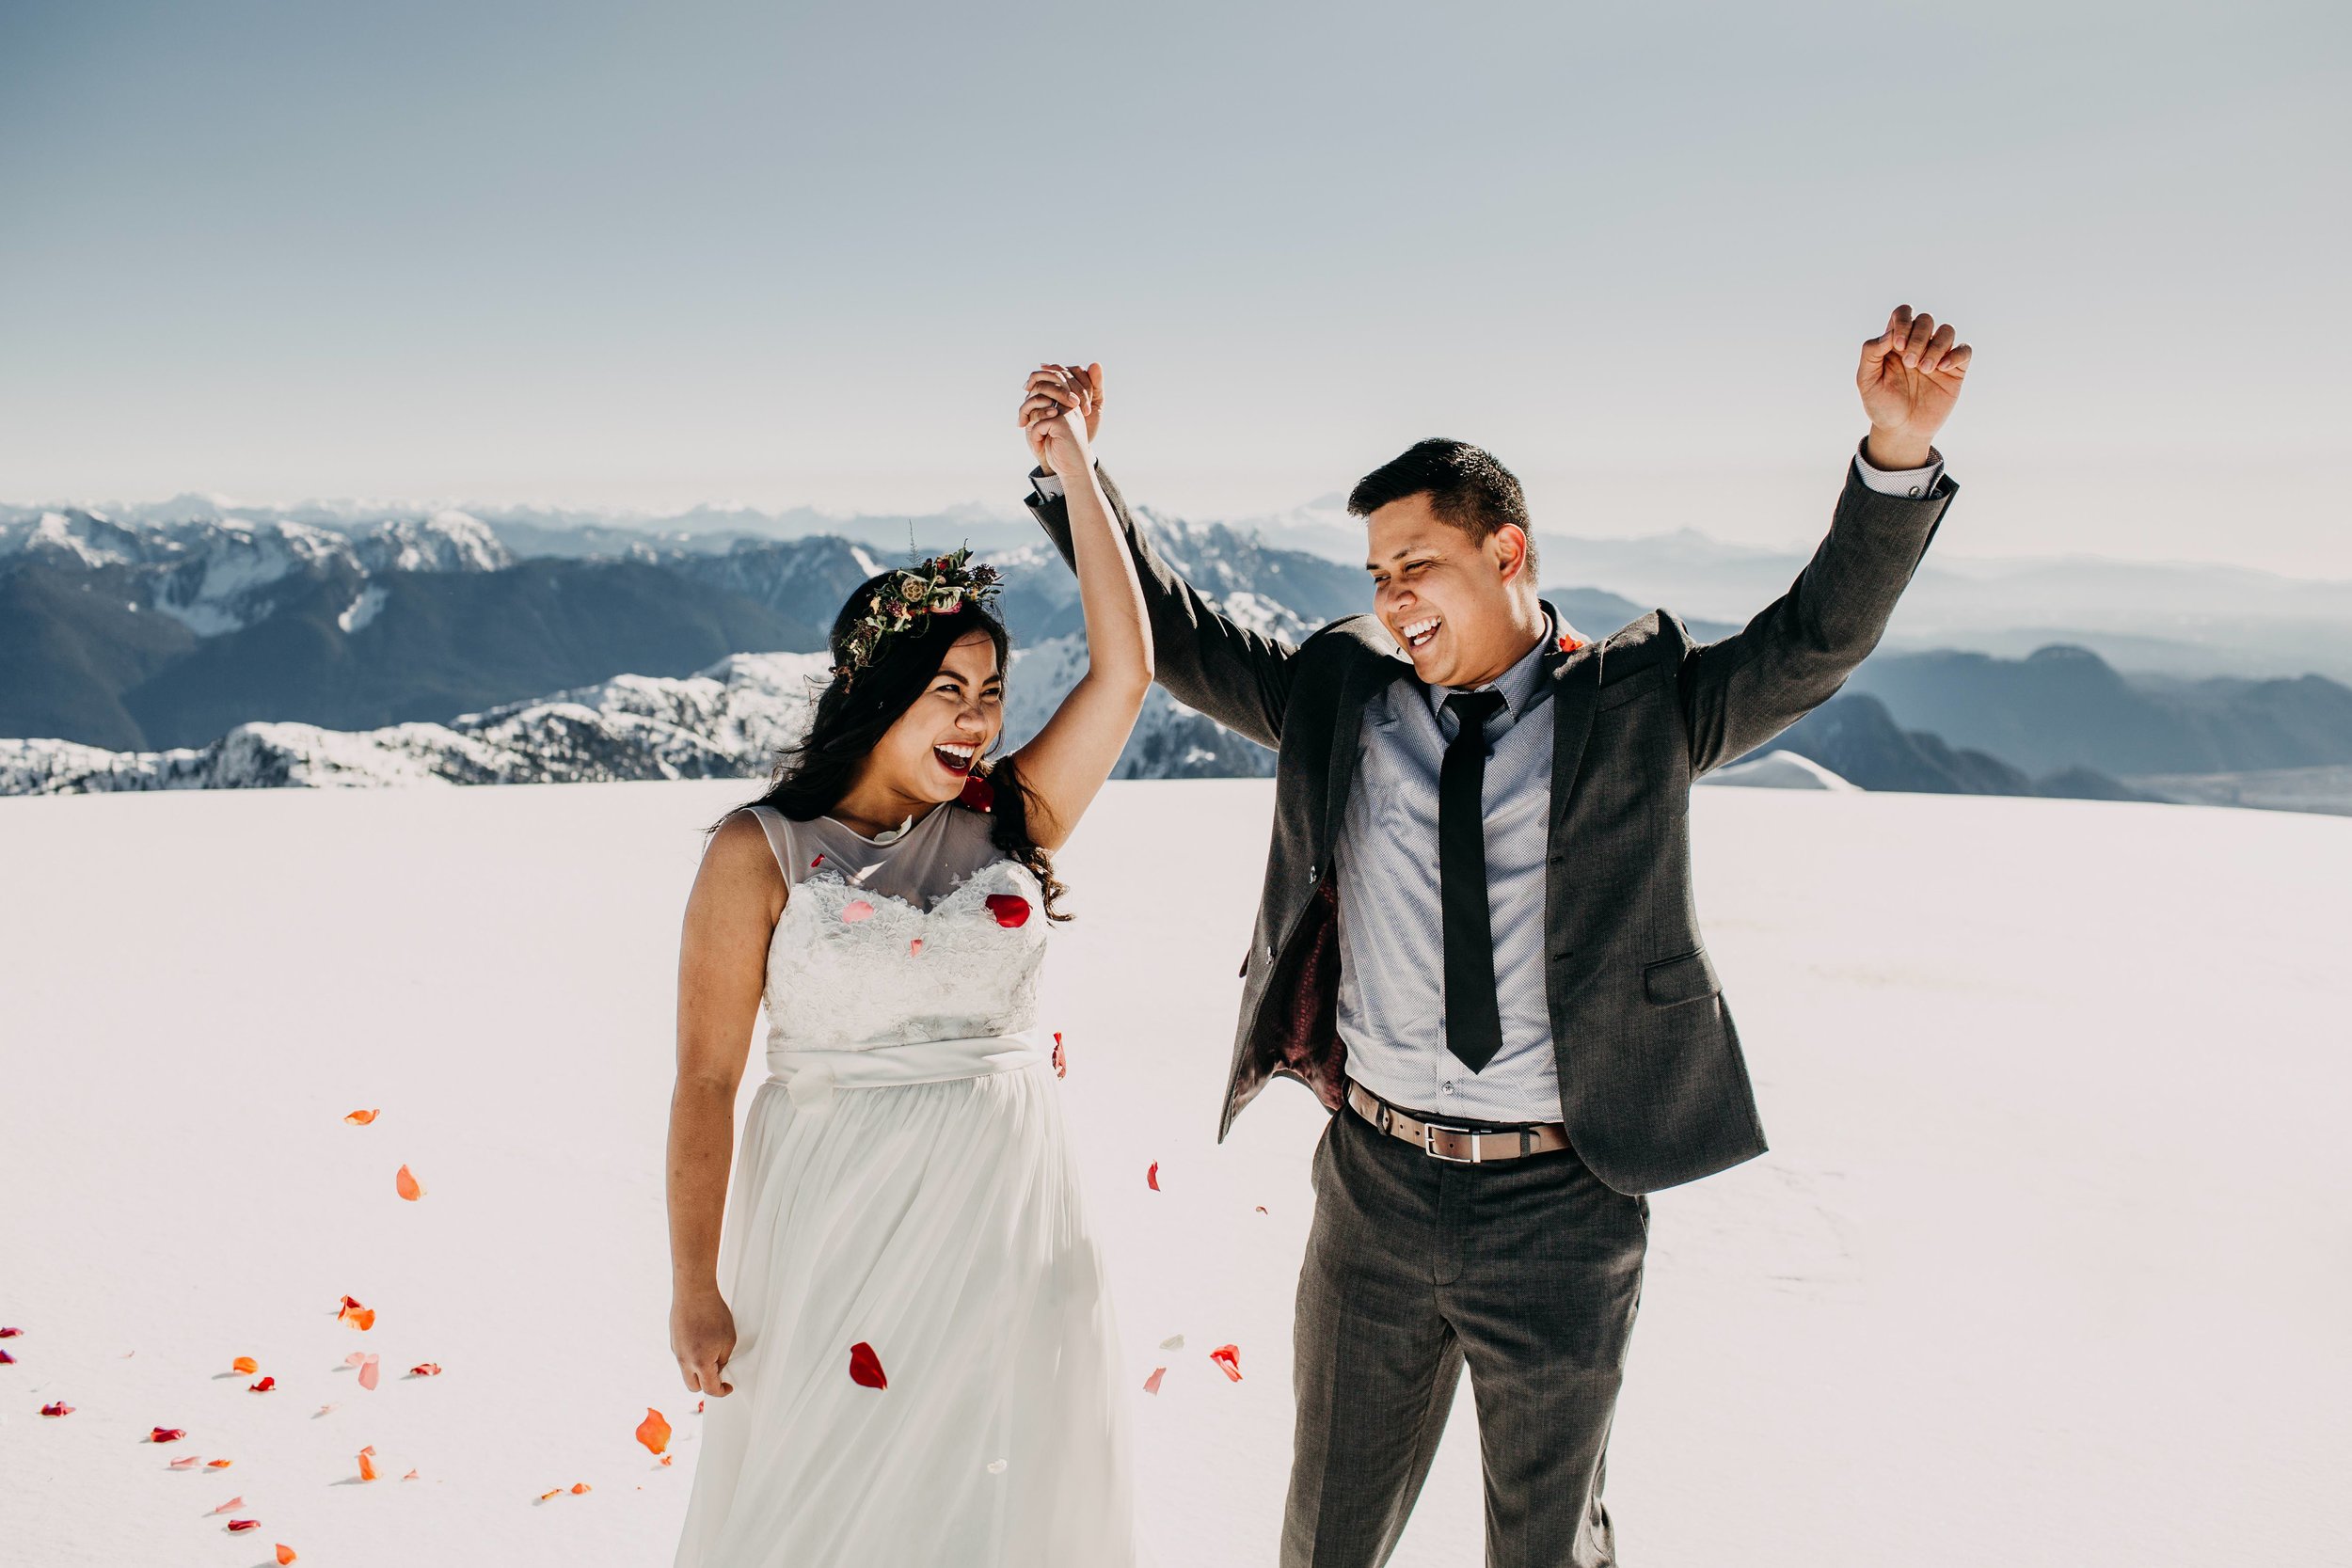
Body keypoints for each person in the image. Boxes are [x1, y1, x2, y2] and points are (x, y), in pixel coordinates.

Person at [1015, 306, 1971, 1566]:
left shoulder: (1636, 707)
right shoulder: (1344, 694)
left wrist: (1893, 459)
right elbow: (1178, 633)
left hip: (1562, 1204)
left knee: (1548, 1548)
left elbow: (1812, 644)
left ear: (1505, 547)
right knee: (1326, 1540)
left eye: (1416, 565)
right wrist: (1074, 469)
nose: (1392, 599)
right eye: (1375, 575)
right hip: (1373, 1189)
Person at [664, 366, 1152, 1567]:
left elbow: (1128, 667)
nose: (979, 722)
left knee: (999, 1498)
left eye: (991, 693)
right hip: (836, 1219)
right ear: (877, 695)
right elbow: (707, 1083)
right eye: (949, 692)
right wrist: (694, 1284)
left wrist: (1075, 463)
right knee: (829, 1497)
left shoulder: (1011, 818)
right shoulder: (758, 851)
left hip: (1007, 1214)